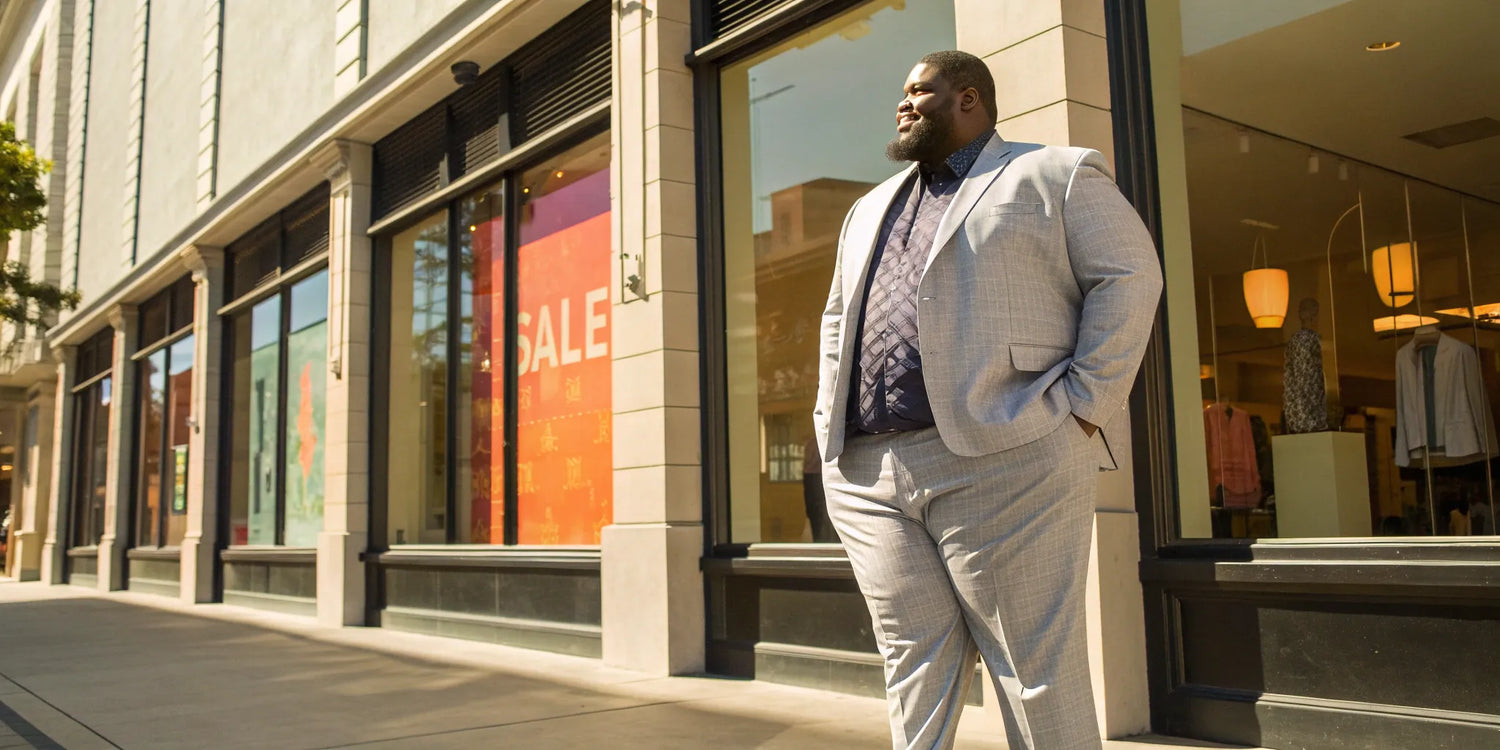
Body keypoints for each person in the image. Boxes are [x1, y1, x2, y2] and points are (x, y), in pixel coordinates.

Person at [812, 50, 1162, 749]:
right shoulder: (868, 207)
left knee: (1033, 667)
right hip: (869, 474)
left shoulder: (1054, 173)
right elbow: (835, 322)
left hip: (1008, 454)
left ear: (969, 97)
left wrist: (1082, 408)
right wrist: (829, 427)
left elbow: (1131, 276)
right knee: (912, 662)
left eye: (919, 90)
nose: (903, 104)